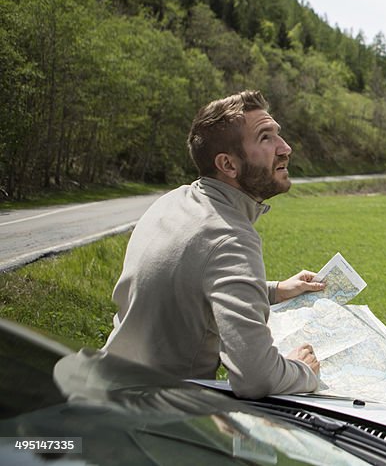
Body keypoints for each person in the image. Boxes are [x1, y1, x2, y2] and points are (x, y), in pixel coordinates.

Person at [103, 90, 325, 398]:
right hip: (160, 418)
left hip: (108, 386)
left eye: (279, 134)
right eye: (265, 138)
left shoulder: (174, 203)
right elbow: (256, 378)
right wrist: (302, 370)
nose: (285, 148)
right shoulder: (230, 236)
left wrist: (273, 290)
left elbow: (188, 285)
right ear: (228, 165)